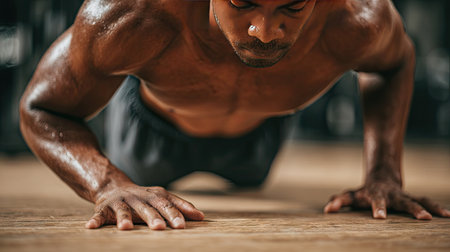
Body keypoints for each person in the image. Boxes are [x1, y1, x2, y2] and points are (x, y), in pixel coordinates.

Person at [19, 0, 450, 231]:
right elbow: (41, 107)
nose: (263, 30)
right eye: (242, 2)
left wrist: (384, 175)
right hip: (148, 141)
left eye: (291, 6)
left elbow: (395, 62)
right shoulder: (133, 14)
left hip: (259, 147)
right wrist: (107, 185)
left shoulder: (359, 16)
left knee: (251, 168)